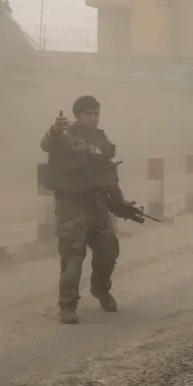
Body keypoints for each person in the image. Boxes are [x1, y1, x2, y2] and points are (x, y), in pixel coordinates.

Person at [40, 95, 124, 324]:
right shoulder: (64, 136)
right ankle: (68, 305)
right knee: (73, 255)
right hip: (71, 204)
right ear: (78, 116)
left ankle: (101, 289)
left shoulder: (100, 138)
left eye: (97, 113)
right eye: (89, 114)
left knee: (108, 250)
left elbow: (108, 170)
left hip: (96, 202)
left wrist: (118, 200)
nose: (94, 118)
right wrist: (55, 130)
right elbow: (47, 143)